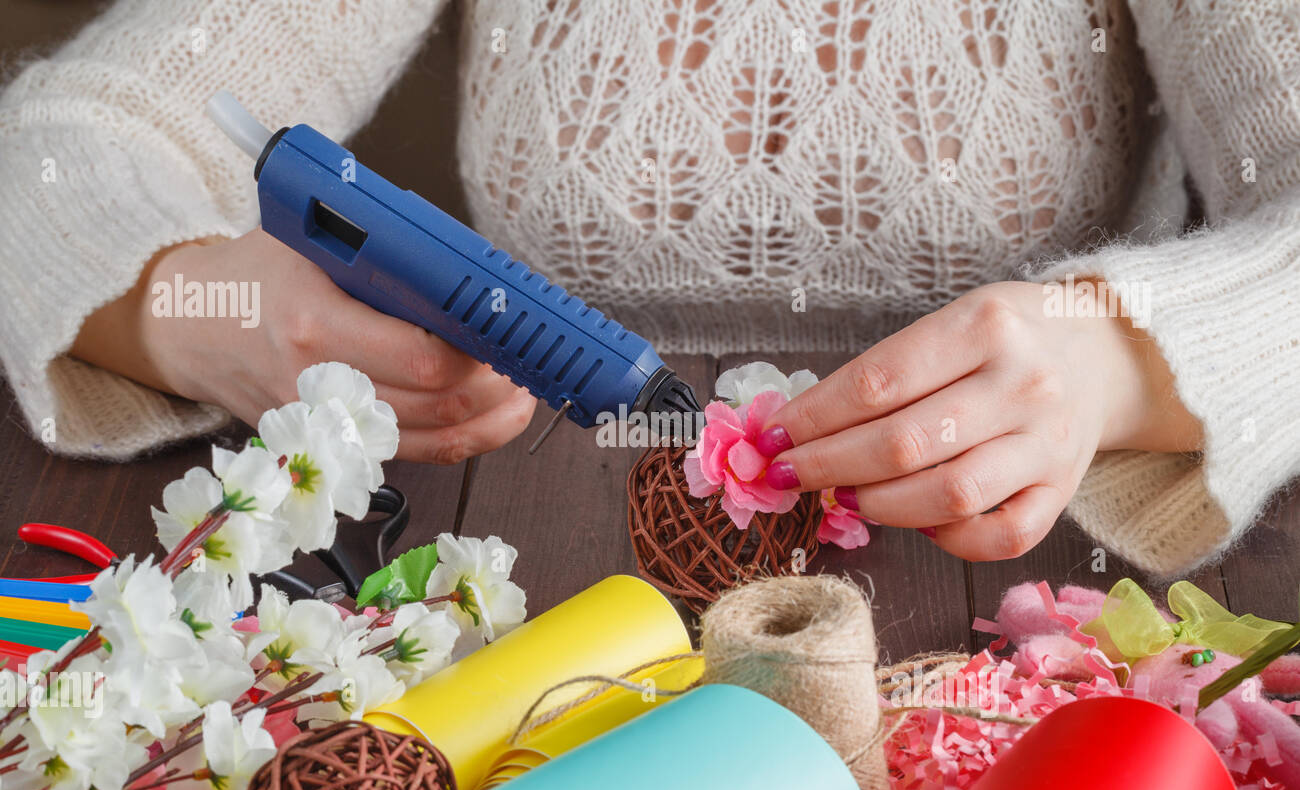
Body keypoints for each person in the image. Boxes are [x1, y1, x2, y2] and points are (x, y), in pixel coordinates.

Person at [0, 0, 1295, 580]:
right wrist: (218, 314)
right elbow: (57, 152)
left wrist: (1114, 361)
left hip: (1016, 589)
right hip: (535, 580)